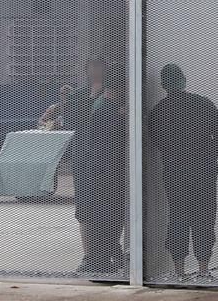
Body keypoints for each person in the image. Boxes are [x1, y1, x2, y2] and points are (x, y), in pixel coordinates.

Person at [148, 63, 218, 279]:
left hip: (175, 173)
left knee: (178, 218)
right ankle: (203, 269)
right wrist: (208, 156)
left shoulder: (158, 111)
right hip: (204, 172)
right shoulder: (203, 104)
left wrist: (174, 156)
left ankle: (179, 271)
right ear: (184, 79)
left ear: (164, 85)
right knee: (204, 217)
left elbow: (155, 141)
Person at [73, 68, 128, 274]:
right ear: (120, 89)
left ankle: (100, 258)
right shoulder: (107, 112)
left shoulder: (102, 106)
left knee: (101, 217)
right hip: (104, 175)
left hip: (96, 173)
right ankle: (100, 261)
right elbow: (108, 148)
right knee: (107, 217)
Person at [66, 58, 108, 264]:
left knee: (106, 204)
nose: (96, 72)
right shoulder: (78, 95)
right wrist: (90, 97)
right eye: (91, 68)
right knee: (84, 206)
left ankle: (107, 251)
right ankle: (88, 253)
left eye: (100, 67)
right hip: (83, 157)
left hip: (107, 159)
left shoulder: (113, 92)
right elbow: (72, 122)